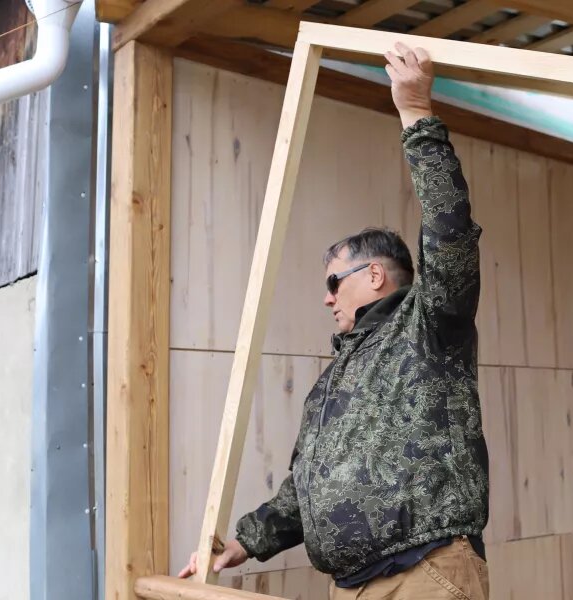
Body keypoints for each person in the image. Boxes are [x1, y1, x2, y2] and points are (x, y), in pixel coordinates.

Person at [179, 41, 490, 599]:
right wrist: (246, 542)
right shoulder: (336, 380)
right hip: (349, 588)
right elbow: (306, 490)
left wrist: (416, 114)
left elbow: (450, 233)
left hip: (424, 574)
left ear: (375, 276)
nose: (326, 299)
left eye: (333, 282)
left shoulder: (429, 325)